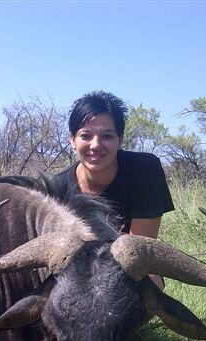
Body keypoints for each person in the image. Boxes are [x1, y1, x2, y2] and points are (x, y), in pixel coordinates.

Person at [47, 90, 174, 288]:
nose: (95, 145)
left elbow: (136, 250)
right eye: (85, 136)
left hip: (127, 268)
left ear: (120, 139)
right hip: (77, 276)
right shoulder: (57, 189)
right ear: (72, 139)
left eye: (107, 136)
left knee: (151, 280)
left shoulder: (145, 170)